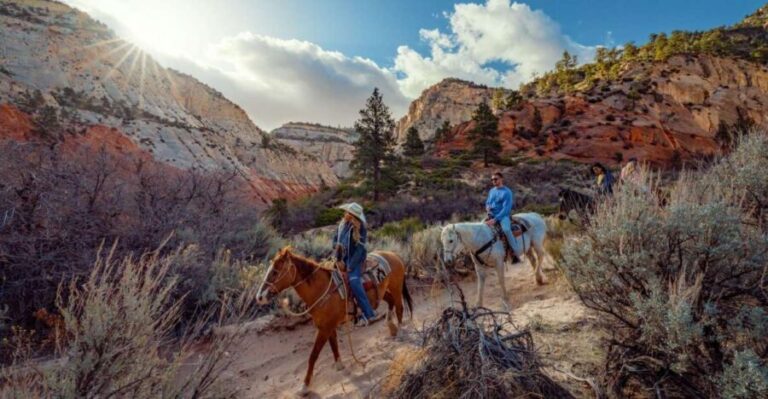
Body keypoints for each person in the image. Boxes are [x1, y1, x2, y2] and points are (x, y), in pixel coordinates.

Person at [332, 202, 380, 326]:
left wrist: (350, 266)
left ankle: (370, 314)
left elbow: (359, 250)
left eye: (351, 214)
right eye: (348, 213)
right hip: (341, 257)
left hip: (356, 259)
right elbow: (335, 239)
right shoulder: (342, 224)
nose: (348, 215)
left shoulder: (361, 228)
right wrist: (337, 255)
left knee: (354, 281)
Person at [484, 171, 521, 264]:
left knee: (506, 230)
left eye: (495, 179)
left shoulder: (507, 192)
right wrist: (487, 208)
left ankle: (516, 253)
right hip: (491, 215)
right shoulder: (492, 191)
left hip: (502, 216)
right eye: (492, 179)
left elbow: (506, 209)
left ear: (501, 179)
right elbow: (488, 202)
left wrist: (495, 219)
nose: (493, 181)